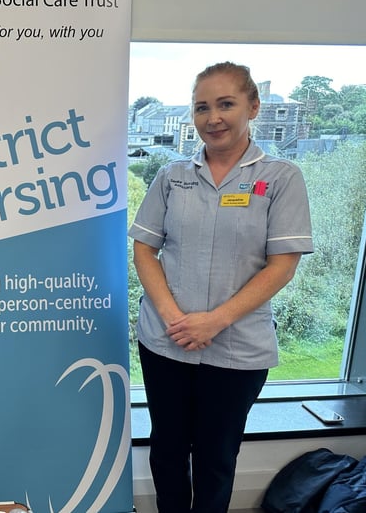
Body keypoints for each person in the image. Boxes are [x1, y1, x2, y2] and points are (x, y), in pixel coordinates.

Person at [128, 61, 313, 513]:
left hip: (236, 350)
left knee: (216, 457)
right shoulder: (172, 176)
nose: (213, 118)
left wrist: (215, 321)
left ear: (252, 106)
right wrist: (175, 319)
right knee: (168, 451)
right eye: (202, 107)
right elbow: (144, 250)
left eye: (225, 104)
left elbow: (282, 265)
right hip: (166, 342)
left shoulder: (282, 178)